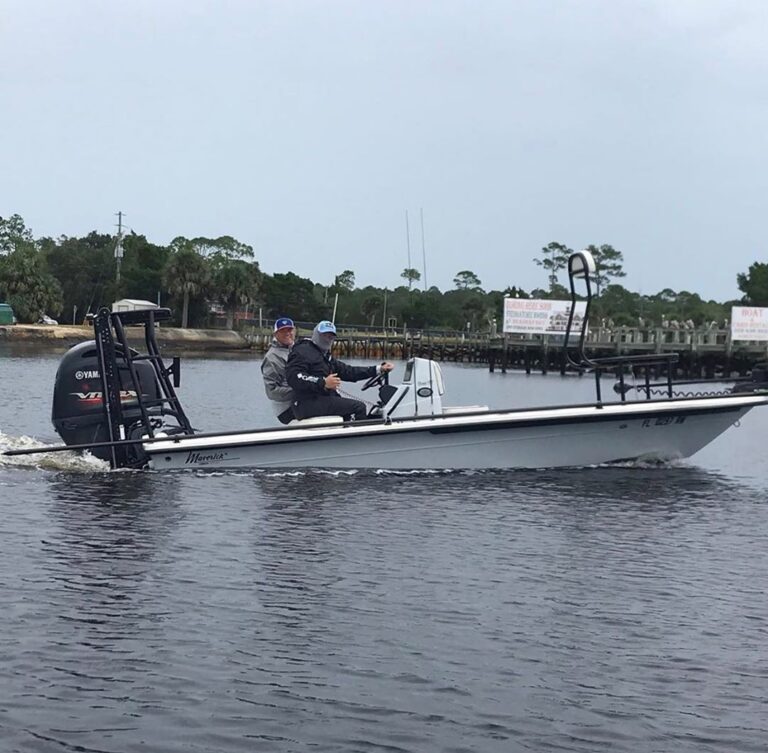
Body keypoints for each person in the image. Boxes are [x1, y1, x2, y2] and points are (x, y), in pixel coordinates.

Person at [286, 320, 394, 421]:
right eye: (324, 335)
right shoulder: (302, 351)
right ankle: (361, 440)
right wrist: (323, 382)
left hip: (319, 399)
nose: (327, 339)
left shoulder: (324, 356)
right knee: (359, 407)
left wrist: (378, 369)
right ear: (316, 335)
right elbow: (294, 376)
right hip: (305, 403)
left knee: (348, 411)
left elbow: (348, 372)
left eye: (331, 337)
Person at [261, 317, 297, 424]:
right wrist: (301, 390)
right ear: (275, 334)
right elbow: (272, 392)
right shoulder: (272, 358)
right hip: (285, 410)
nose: (287, 333)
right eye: (283, 331)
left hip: (301, 401)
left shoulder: (297, 350)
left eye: (289, 330)